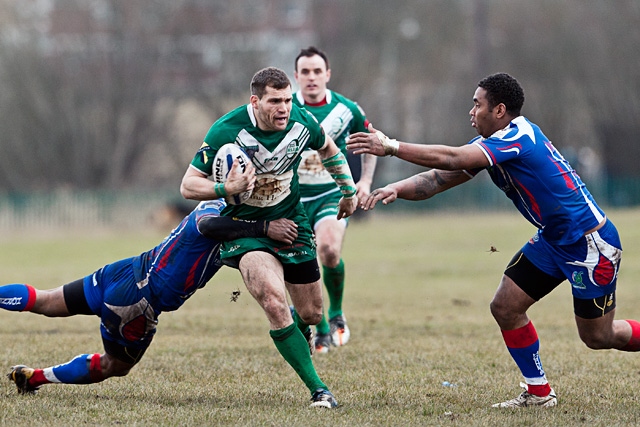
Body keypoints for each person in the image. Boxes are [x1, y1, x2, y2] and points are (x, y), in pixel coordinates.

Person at [347, 72, 640, 408]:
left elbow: (453, 158)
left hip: (590, 245)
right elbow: (438, 179)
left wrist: (392, 147)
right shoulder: (491, 146)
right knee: (505, 306)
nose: (471, 112)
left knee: (598, 337)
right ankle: (539, 393)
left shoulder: (519, 137)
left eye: (477, 104)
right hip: (553, 241)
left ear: (499, 110)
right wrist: (396, 189)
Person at [2, 160, 301, 396]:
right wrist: (263, 229)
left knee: (46, 300)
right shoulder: (224, 218)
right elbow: (209, 226)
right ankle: (35, 378)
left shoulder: (215, 206)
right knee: (114, 366)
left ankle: (30, 377)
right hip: (137, 301)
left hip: (124, 271)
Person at [180, 66, 358, 408]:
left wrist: (348, 190)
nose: (284, 108)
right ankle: (319, 390)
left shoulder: (302, 122)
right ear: (255, 101)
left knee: (309, 313)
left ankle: (302, 327)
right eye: (275, 101)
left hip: (292, 224)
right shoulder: (226, 131)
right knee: (273, 302)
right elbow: (188, 185)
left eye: (287, 100)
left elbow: (330, 149)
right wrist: (224, 188)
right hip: (245, 232)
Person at [293, 46, 377, 353]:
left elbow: (372, 143)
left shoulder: (347, 109)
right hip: (292, 201)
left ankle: (336, 311)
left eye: (317, 71)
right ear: (296, 76)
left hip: (332, 195)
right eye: (305, 72)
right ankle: (321, 328)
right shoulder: (285, 109)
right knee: (300, 265)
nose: (312, 77)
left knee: (328, 250)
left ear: (327, 74)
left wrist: (364, 182)